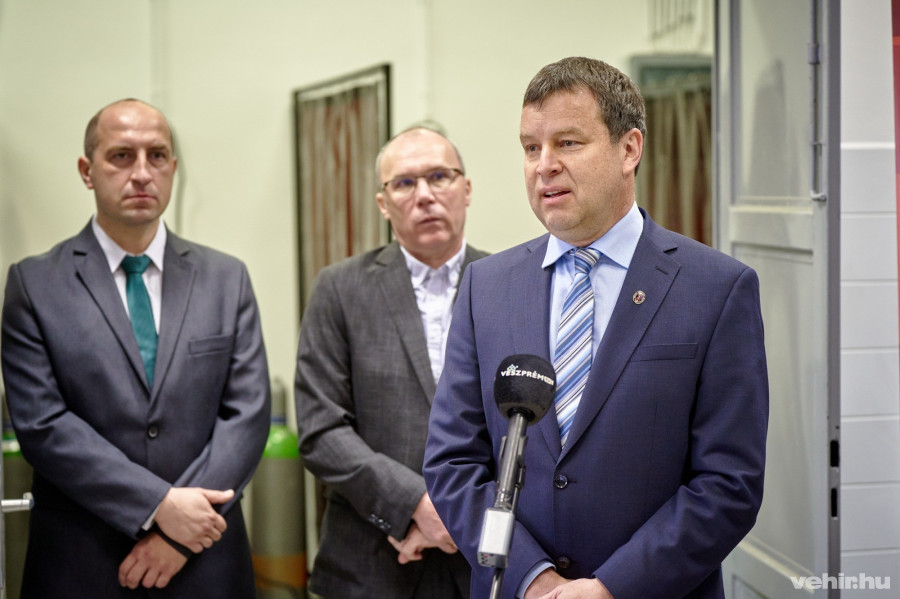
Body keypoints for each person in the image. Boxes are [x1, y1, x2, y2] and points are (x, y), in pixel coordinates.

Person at [423, 57, 768, 599]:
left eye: (568, 143)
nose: (544, 166)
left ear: (629, 149)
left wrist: (611, 587)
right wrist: (533, 578)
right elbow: (453, 463)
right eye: (530, 148)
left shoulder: (716, 288)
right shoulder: (486, 287)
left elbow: (729, 484)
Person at [0, 98, 270, 597]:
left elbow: (247, 415)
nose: (142, 173)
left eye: (157, 156)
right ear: (87, 171)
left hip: (205, 561)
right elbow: (42, 424)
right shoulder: (34, 284)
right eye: (121, 156)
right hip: (83, 562)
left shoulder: (226, 279)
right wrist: (159, 506)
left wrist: (179, 536)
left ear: (173, 168)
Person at [294, 126, 486, 598]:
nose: (424, 196)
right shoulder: (340, 289)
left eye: (439, 176)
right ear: (383, 204)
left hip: (481, 563)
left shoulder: (511, 285)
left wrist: (462, 516)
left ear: (466, 189)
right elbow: (321, 430)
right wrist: (415, 504)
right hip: (371, 564)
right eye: (404, 183)